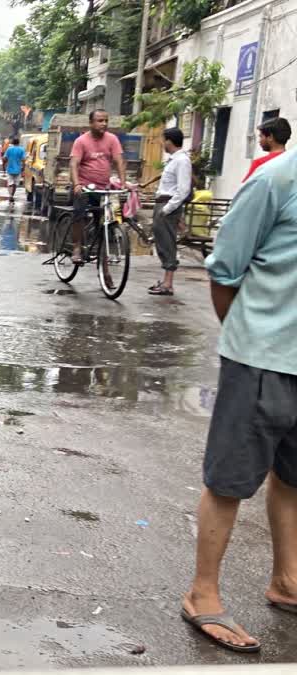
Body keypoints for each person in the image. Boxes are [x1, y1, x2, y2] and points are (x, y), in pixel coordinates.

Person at [181, 148, 297, 655]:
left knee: (293, 478)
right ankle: (202, 591)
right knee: (229, 480)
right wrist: (249, 340)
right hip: (261, 357)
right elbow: (224, 270)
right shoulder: (275, 180)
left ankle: (288, 580)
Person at [68, 109, 126, 263]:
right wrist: (77, 184)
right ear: (91, 123)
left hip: (103, 188)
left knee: (106, 221)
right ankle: (77, 248)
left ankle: (103, 262)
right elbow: (74, 164)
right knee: (79, 213)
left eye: (106, 120)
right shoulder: (81, 141)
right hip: (85, 187)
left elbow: (119, 161)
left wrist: (123, 183)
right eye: (100, 121)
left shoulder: (112, 139)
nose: (104, 124)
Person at [148, 128, 192, 296]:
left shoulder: (182, 161)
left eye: (163, 140)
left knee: (167, 242)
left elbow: (183, 190)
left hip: (168, 205)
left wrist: (167, 209)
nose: (162, 143)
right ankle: (166, 281)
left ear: (169, 141)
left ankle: (168, 283)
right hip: (163, 202)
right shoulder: (173, 160)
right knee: (161, 241)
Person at [242, 117, 290, 182]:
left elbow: (245, 190)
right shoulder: (293, 162)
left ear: (270, 137)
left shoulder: (260, 163)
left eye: (261, 136)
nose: (259, 141)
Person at [3, 136, 26, 202]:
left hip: (9, 168)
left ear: (12, 142)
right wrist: (23, 168)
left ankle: (10, 195)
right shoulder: (22, 149)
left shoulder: (9, 149)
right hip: (18, 169)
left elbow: (5, 158)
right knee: (15, 184)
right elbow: (24, 160)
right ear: (19, 142)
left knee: (10, 183)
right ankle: (12, 195)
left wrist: (4, 165)